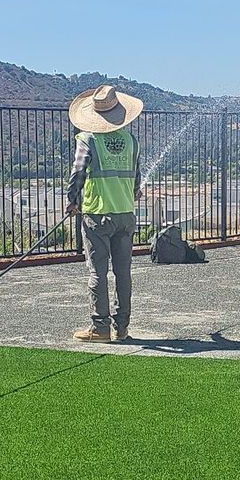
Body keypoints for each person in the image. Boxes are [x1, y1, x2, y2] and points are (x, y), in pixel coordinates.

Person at [65, 83, 143, 342]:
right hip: (125, 214)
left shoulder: (88, 139)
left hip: (97, 213)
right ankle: (122, 328)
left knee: (98, 273)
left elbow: (78, 173)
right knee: (123, 272)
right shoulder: (131, 141)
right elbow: (136, 181)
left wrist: (72, 201)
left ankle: (100, 328)